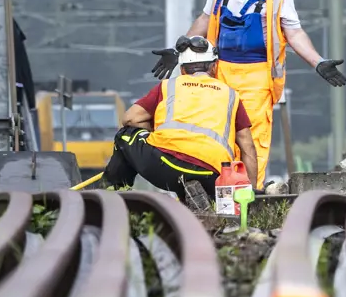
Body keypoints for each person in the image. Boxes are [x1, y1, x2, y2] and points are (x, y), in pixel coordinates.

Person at [151, 0, 346, 178]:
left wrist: (318, 61)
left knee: (252, 141)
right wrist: (179, 52)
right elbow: (206, 18)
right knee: (216, 134)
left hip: (257, 78)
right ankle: (214, 194)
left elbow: (294, 32)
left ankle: (248, 198)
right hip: (218, 74)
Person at [107, 37, 259, 205]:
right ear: (214, 66)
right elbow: (248, 148)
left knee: (125, 135)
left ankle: (113, 194)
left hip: (166, 166)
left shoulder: (168, 86)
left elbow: (129, 118)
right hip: (213, 175)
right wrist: (250, 193)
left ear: (182, 69)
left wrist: (158, 131)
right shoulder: (231, 95)